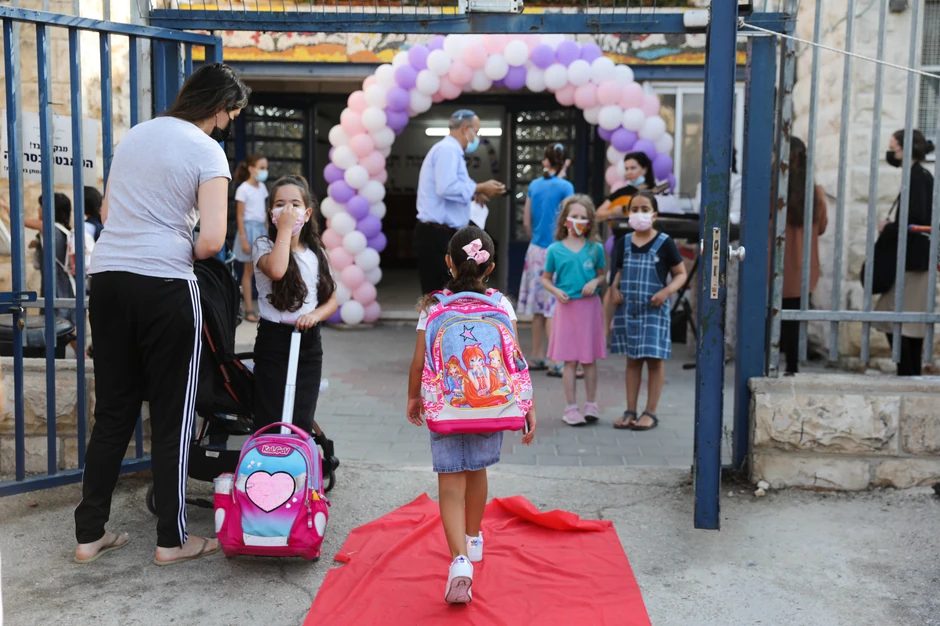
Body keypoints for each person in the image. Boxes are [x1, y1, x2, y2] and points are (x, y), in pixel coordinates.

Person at [74, 63, 248, 566]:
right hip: (165, 285)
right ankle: (171, 542)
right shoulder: (207, 150)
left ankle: (89, 535)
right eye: (229, 115)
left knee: (112, 412)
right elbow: (213, 240)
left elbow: (107, 214)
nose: (227, 125)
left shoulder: (135, 136)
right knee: (173, 414)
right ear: (218, 108)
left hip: (106, 280)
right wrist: (175, 244)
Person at [406, 226, 537, 604]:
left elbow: (418, 363)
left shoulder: (433, 305)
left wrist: (413, 398)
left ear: (448, 262)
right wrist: (527, 406)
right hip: (491, 405)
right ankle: (475, 536)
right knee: (477, 468)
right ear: (490, 267)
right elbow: (515, 361)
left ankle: (459, 560)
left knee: (450, 481)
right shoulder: (501, 304)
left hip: (447, 405)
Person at [252, 175, 338, 431]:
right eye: (280, 204)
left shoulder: (316, 253)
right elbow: (277, 270)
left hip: (308, 343)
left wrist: (315, 315)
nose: (288, 210)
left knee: (301, 412)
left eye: (294, 204)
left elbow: (331, 299)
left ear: (308, 212)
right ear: (271, 213)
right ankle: (267, 466)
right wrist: (285, 231)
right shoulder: (263, 246)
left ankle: (296, 466)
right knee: (270, 413)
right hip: (274, 341)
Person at [610, 192, 687, 430]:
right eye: (634, 209)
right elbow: (618, 272)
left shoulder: (665, 242)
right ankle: (630, 410)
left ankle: (650, 412)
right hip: (629, 309)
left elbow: (681, 273)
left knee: (654, 362)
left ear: (654, 214)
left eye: (644, 209)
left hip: (654, 310)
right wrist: (613, 288)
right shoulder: (623, 242)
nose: (639, 213)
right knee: (632, 361)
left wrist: (666, 292)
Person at [414, 109, 506, 294]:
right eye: (477, 132)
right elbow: (446, 187)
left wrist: (476, 193)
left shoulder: (453, 151)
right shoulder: (447, 150)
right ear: (466, 129)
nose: (476, 137)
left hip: (444, 234)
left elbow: (459, 185)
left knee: (449, 295)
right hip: (436, 235)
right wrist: (479, 188)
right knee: (438, 298)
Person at [541, 195, 608, 426]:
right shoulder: (554, 250)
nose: (578, 221)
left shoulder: (595, 248)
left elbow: (602, 274)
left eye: (583, 217)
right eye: (574, 217)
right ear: (565, 219)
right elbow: (546, 279)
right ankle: (570, 407)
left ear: (590, 221)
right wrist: (556, 292)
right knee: (569, 361)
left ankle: (591, 404)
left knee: (589, 360)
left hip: (590, 309)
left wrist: (596, 282)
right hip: (566, 308)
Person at [874, 129, 935, 376]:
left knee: (902, 320)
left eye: (894, 148)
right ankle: (909, 372)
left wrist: (888, 229)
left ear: (906, 149)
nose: (891, 153)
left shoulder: (918, 177)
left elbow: (917, 221)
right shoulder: (915, 175)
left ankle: (909, 373)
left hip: (914, 261)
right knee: (904, 321)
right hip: (910, 259)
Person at [519, 143, 574, 374]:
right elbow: (569, 218)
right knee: (553, 307)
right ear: (565, 162)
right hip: (557, 249)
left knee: (538, 309)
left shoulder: (534, 185)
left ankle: (536, 356)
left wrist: (536, 238)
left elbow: (526, 221)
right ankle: (555, 360)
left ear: (545, 161)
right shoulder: (566, 186)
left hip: (535, 250)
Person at [779, 137, 828, 375]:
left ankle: (767, 359)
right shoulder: (815, 191)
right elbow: (822, 227)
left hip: (776, 265)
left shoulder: (772, 189)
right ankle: (792, 365)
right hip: (804, 267)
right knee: (795, 318)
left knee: (772, 313)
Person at [26, 193, 76, 326]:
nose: (38, 210)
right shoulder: (64, 230)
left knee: (57, 325)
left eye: (41, 206)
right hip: (69, 286)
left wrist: (5, 206)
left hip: (56, 287)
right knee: (66, 326)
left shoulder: (49, 228)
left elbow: (20, 219)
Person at [233, 154, 269, 323]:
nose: (264, 171)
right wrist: (244, 239)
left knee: (262, 270)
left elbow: (264, 213)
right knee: (248, 272)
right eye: (261, 168)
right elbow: (239, 216)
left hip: (261, 230)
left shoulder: (262, 187)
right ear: (251, 169)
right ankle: (249, 308)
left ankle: (264, 308)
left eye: (265, 168)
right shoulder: (243, 189)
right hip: (248, 231)